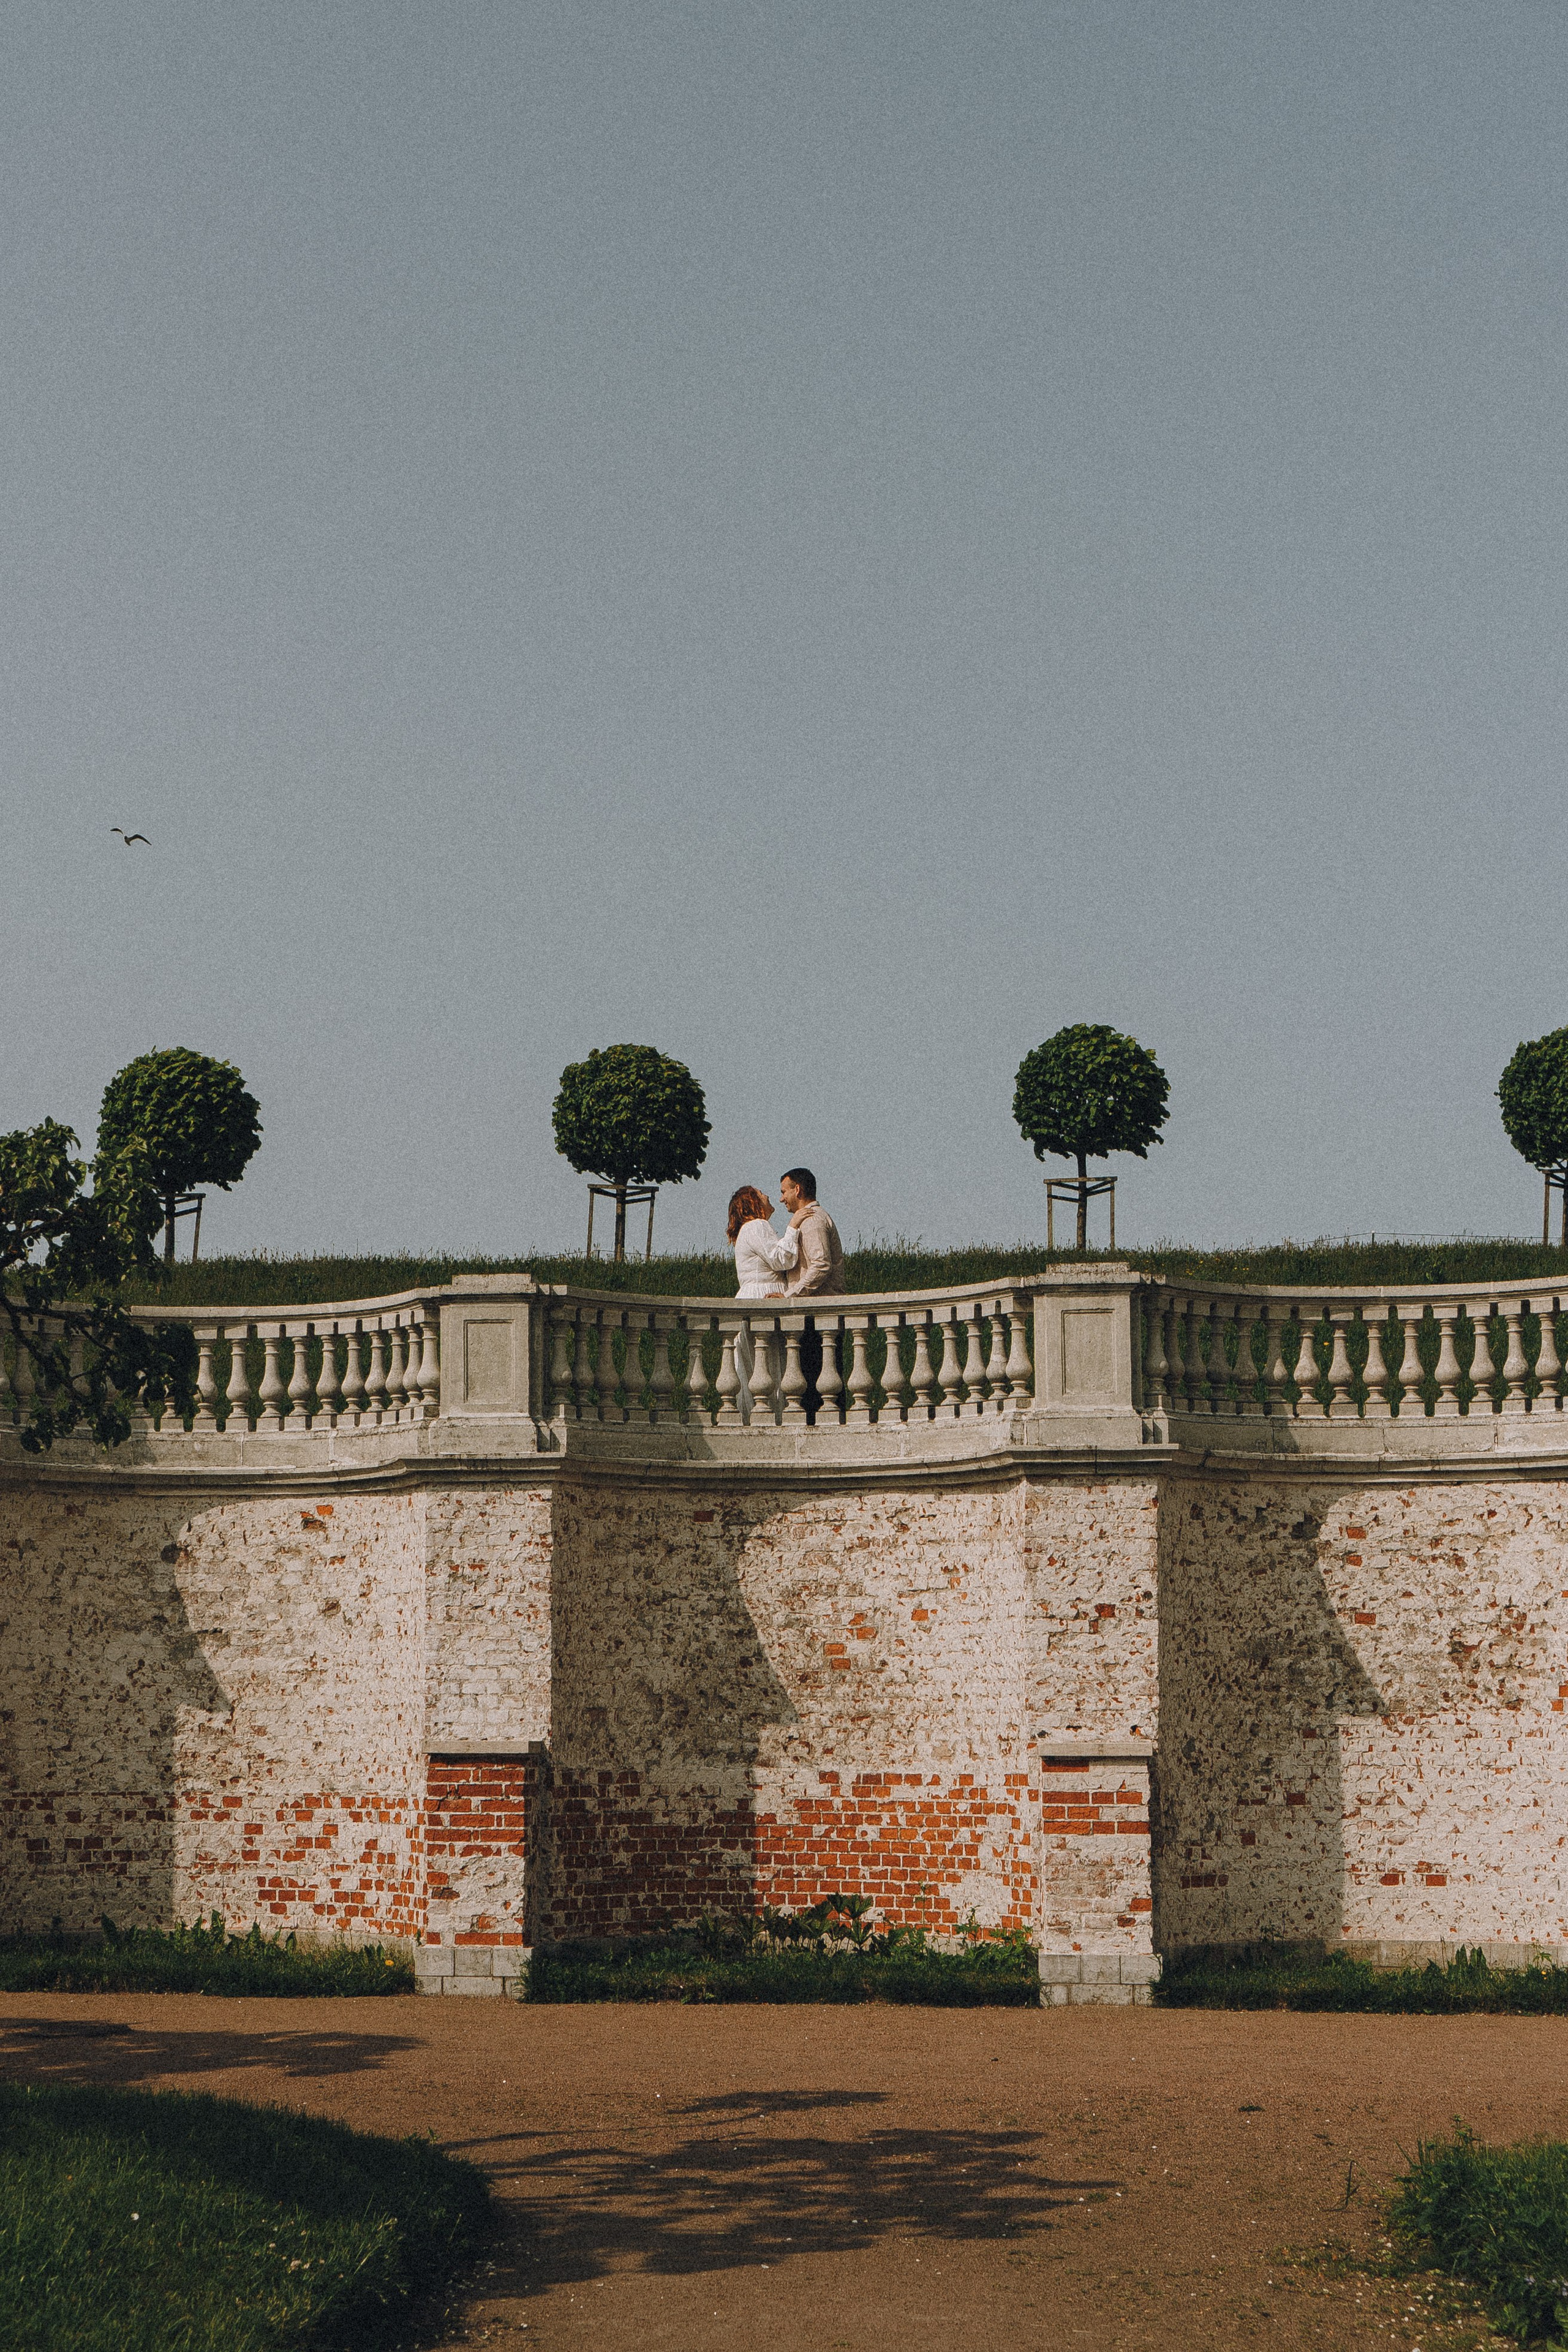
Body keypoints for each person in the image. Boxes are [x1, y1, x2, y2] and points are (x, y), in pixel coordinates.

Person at [727, 1185, 798, 1419]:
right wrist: (793, 1228)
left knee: (753, 1367)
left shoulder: (748, 1230)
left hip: (751, 1296)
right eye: (760, 1193)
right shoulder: (757, 1226)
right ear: (753, 1202)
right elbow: (782, 1259)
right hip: (764, 1297)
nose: (767, 1195)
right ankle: (772, 1418)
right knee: (770, 1365)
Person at [778, 1167, 845, 1415]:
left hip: (818, 1316)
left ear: (798, 1190)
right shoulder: (811, 1219)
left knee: (818, 1389)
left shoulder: (813, 1221)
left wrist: (790, 1295)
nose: (781, 1198)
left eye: (784, 1191)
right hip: (818, 1315)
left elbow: (821, 1264)